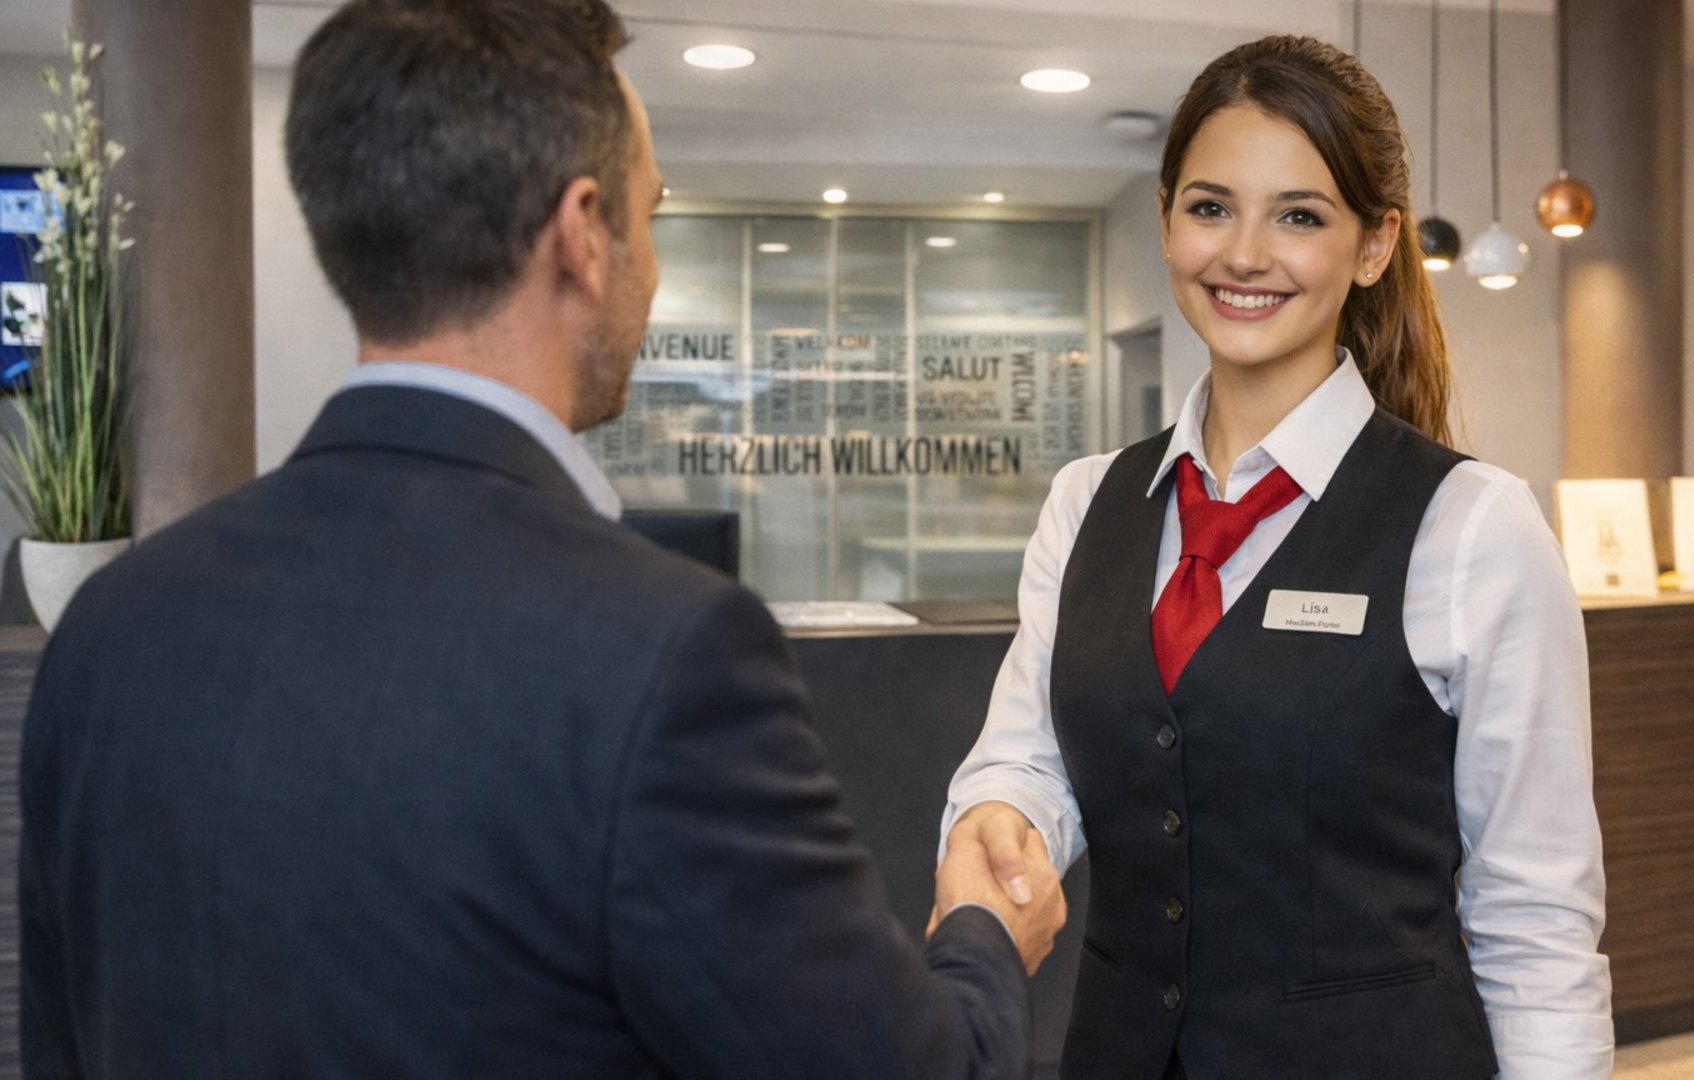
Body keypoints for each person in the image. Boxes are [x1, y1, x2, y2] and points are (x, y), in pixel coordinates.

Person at [17, 2, 1063, 1077]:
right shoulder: (666, 656)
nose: (651, 271)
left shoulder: (113, 625)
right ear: (580, 235)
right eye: (649, 218)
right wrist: (986, 935)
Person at [940, 34, 1611, 1080]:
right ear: (1165, 221)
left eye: (1299, 215)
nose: (1244, 253)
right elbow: (1031, 753)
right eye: (1211, 207)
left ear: (1376, 245)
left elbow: (1536, 918)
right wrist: (999, 810)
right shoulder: (1086, 505)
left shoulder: (1475, 527)